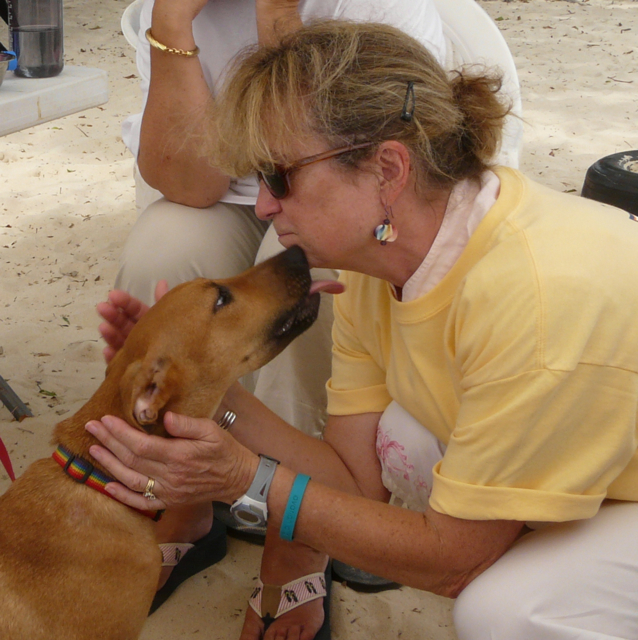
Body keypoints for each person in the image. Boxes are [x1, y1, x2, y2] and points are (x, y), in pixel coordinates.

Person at [91, 20, 638, 640]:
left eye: (278, 175)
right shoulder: (383, 260)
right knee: (402, 440)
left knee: (504, 611)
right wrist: (211, 395)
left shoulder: (530, 299)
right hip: (608, 461)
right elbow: (353, 483)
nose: (264, 205)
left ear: (388, 171)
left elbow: (454, 562)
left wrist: (247, 478)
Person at [119, 0, 446, 440]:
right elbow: (190, 185)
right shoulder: (166, 12)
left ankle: (291, 474)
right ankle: (171, 464)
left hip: (350, 194)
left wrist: (277, 13)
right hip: (231, 201)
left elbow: (377, 168)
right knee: (161, 247)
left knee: (300, 258)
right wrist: (172, 24)